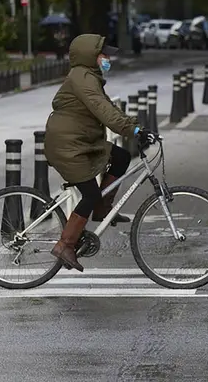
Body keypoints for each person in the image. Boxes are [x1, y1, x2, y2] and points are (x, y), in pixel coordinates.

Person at [44, 34, 148, 272]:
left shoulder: (90, 78)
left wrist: (136, 126)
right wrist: (132, 130)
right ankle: (65, 245)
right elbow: (104, 112)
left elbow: (110, 108)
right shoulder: (81, 78)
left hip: (83, 143)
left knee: (121, 157)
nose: (108, 59)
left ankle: (102, 208)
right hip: (68, 147)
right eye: (104, 55)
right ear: (91, 56)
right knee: (89, 195)